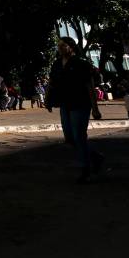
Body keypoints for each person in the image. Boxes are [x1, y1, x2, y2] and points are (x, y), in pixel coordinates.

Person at [47, 37, 104, 183]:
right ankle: (95, 156)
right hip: (64, 104)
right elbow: (52, 83)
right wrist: (47, 99)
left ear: (71, 47)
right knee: (70, 138)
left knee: (79, 135)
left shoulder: (81, 63)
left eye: (63, 45)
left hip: (80, 103)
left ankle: (85, 168)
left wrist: (95, 108)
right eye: (59, 46)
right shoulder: (57, 64)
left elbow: (89, 86)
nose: (60, 48)